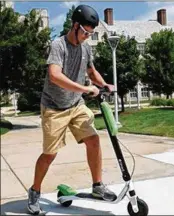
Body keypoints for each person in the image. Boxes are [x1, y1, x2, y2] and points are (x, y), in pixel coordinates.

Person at [27, 4, 116, 215]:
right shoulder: (58, 45)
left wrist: (104, 85)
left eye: (91, 33)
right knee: (50, 154)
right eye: (85, 32)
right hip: (54, 108)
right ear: (75, 25)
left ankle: (97, 186)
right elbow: (54, 76)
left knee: (93, 140)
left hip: (76, 105)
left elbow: (92, 71)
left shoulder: (86, 47)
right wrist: (85, 88)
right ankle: (34, 191)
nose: (87, 36)